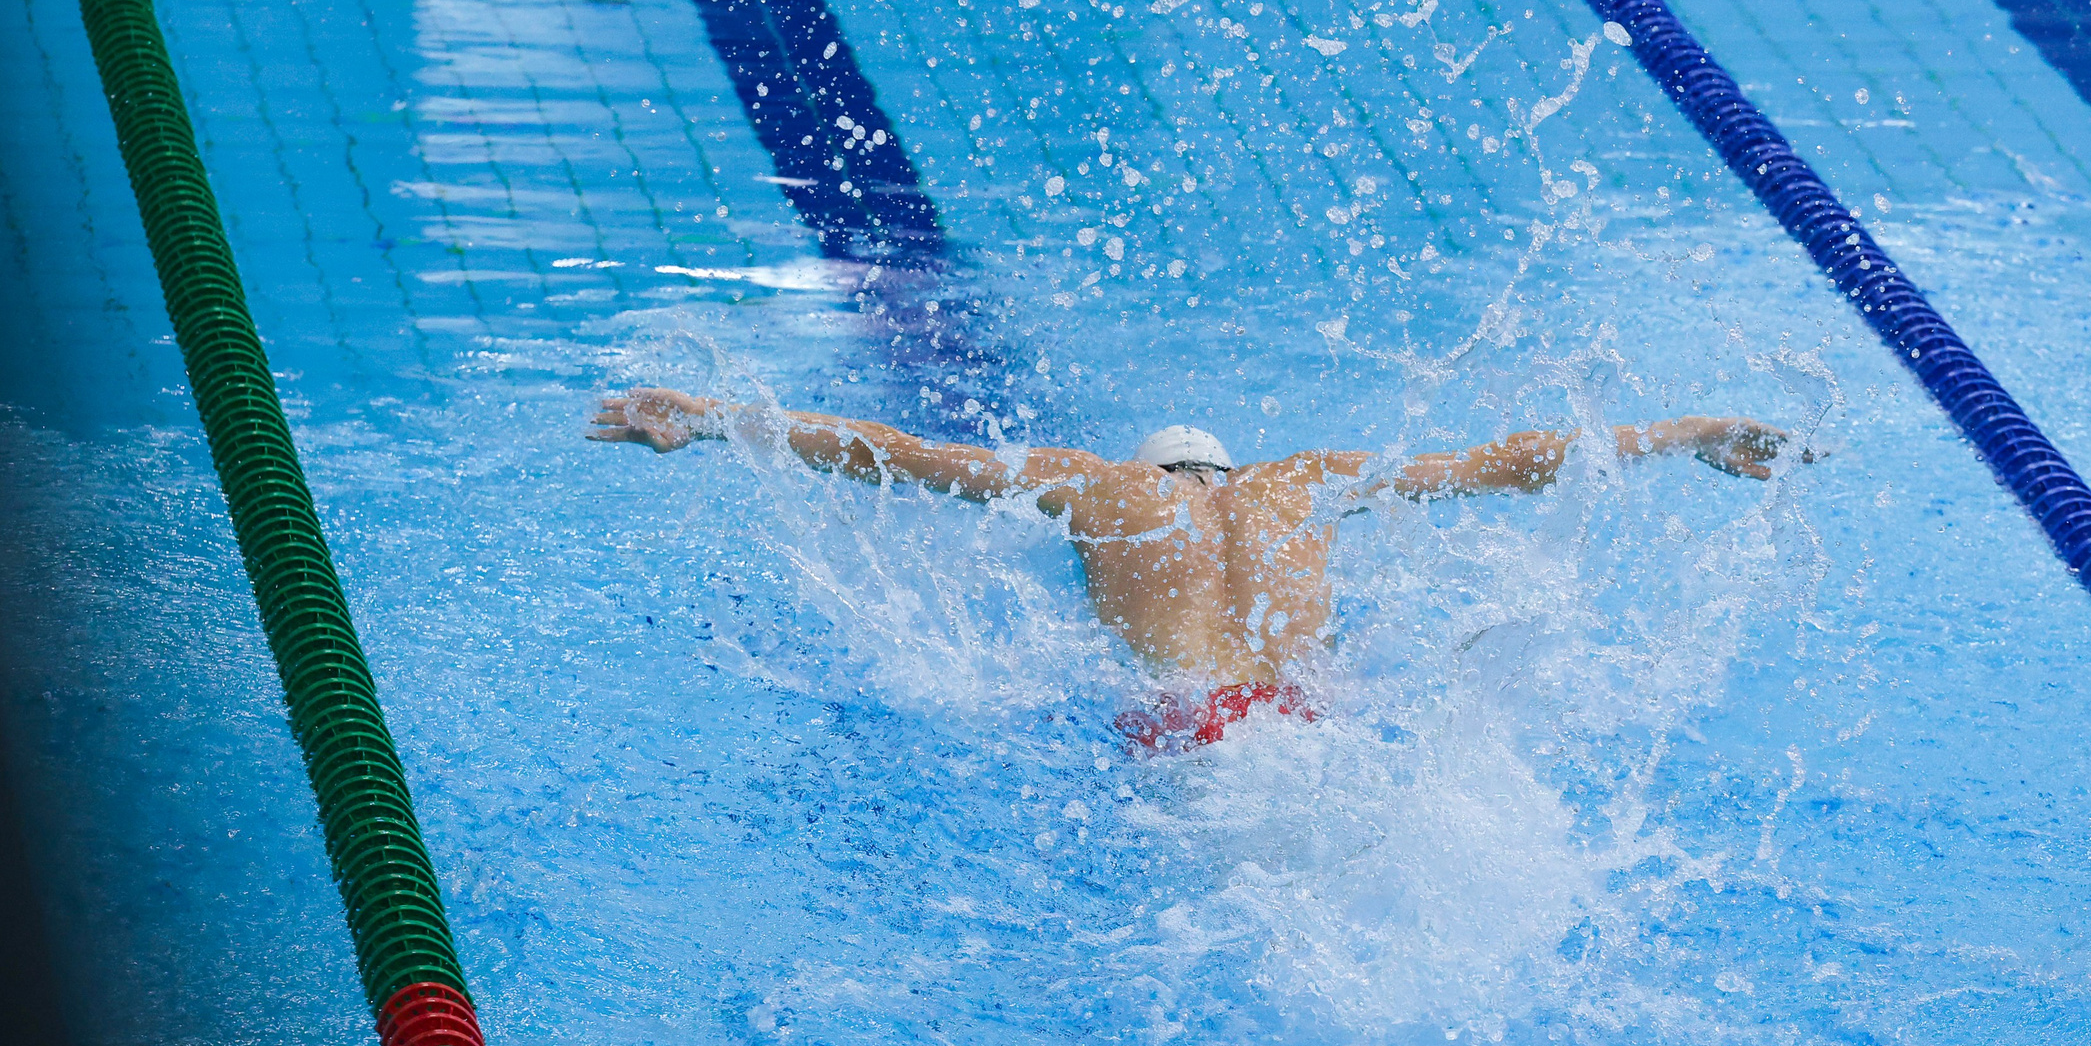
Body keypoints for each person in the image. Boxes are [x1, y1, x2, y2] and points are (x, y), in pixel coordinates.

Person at [589, 388, 1800, 753]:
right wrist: (1689, 432)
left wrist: (710, 416)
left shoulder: (1095, 486)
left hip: (1193, 730)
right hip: (1325, 723)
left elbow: (892, 453)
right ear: (1226, 471)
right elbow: (1509, 462)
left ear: (1152, 472)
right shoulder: (1306, 481)